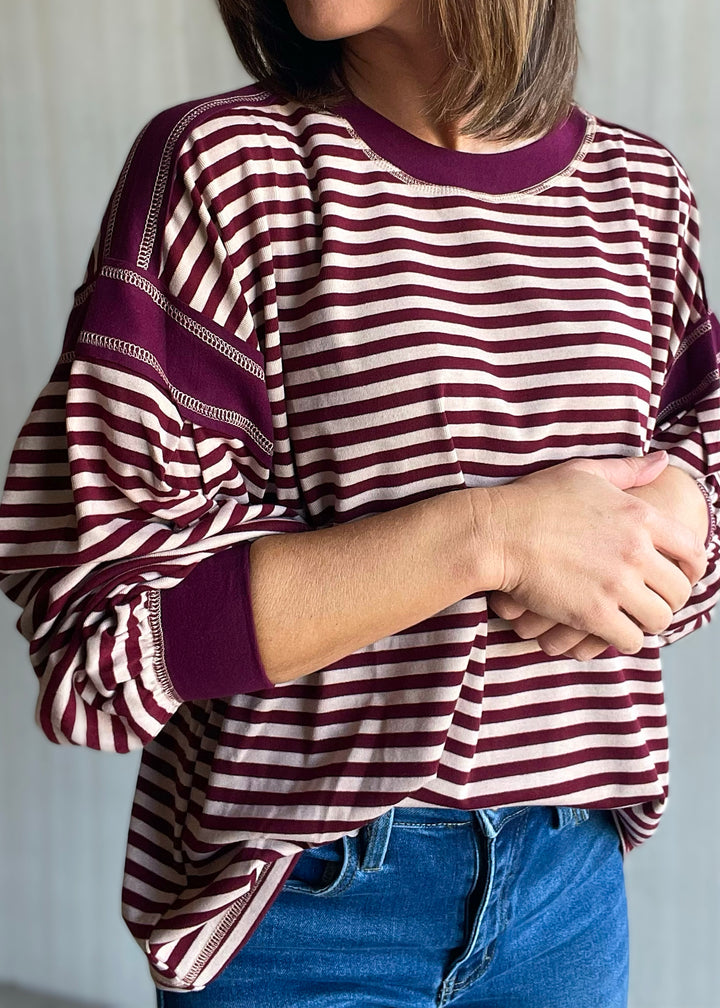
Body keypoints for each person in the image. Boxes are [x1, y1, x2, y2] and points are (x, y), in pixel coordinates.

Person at [0, 0, 718, 1005]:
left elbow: (700, 471)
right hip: (305, 909)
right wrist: (489, 537)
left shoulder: (642, 190)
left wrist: (682, 513)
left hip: (570, 886)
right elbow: (104, 625)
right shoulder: (228, 169)